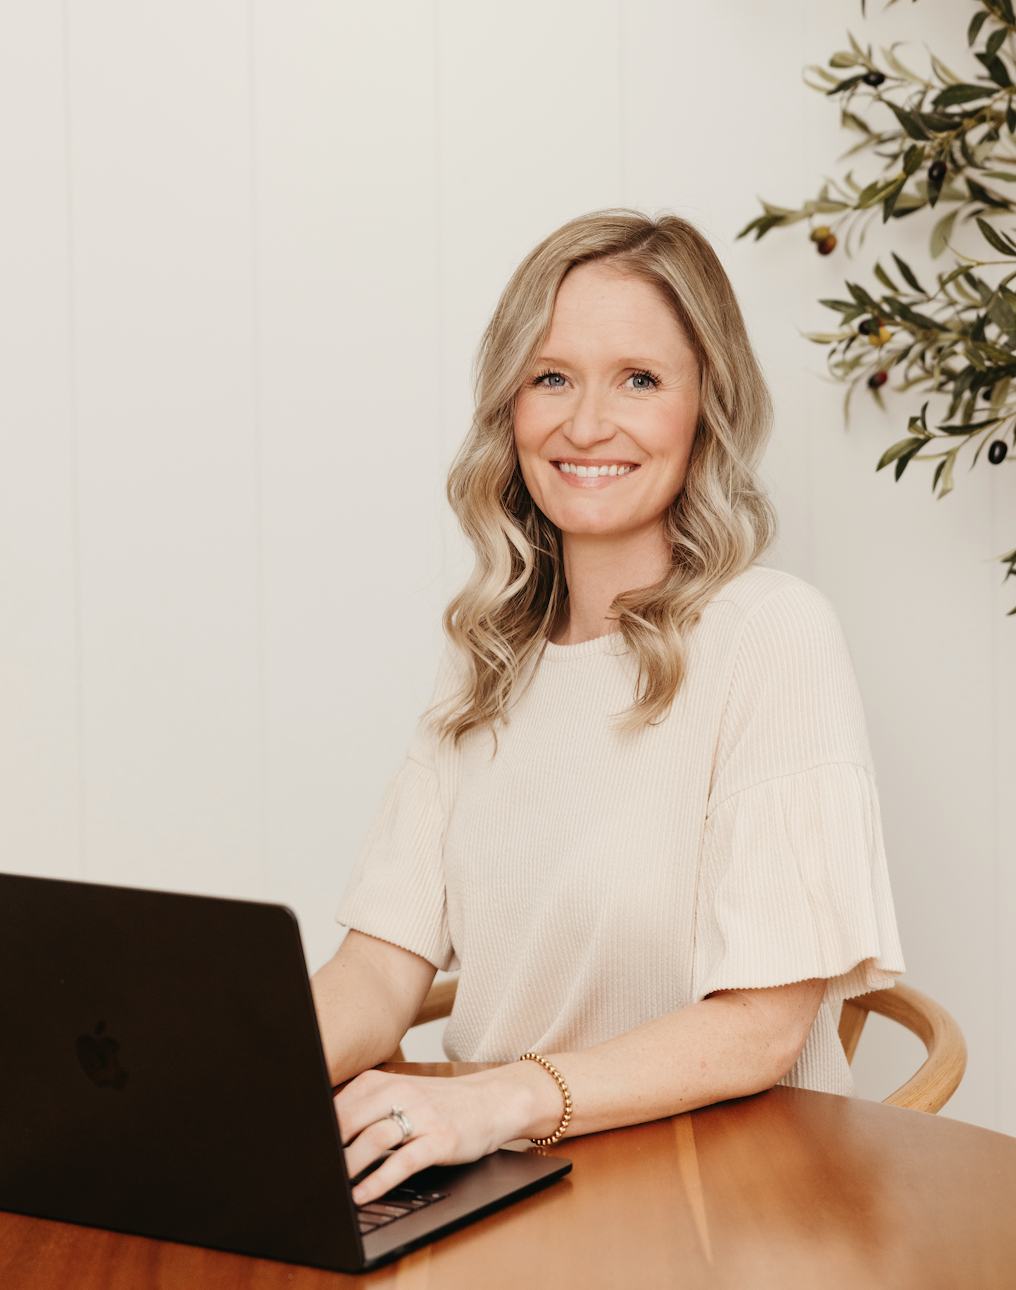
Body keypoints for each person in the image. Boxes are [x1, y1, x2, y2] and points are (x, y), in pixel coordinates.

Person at [311, 210, 903, 1207]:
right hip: (496, 1189)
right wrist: (219, 1081)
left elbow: (762, 1028)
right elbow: (378, 968)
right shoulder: (486, 659)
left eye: (639, 379)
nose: (585, 425)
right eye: (551, 377)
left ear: (706, 407)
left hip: (719, 1205)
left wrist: (497, 1100)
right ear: (508, 405)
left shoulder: (771, 633)